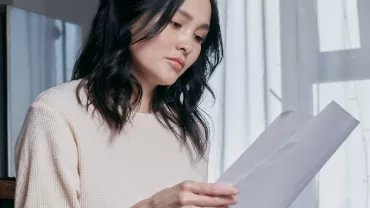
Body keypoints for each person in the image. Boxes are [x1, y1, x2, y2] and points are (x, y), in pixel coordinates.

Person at [14, 0, 239, 207]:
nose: (187, 45)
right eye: (176, 23)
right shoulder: (57, 113)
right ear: (129, 16)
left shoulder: (190, 130)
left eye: (198, 37)